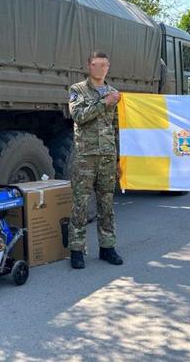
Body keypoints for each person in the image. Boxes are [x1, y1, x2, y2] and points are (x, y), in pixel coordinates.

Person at [67, 51, 123, 269]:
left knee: (107, 203)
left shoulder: (115, 93)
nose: (100, 68)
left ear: (108, 67)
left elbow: (117, 128)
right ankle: (77, 250)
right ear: (89, 66)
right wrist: (104, 103)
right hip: (85, 157)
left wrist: (119, 159)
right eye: (95, 64)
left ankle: (107, 247)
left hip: (107, 157)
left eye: (104, 65)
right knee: (80, 204)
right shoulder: (77, 90)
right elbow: (78, 116)